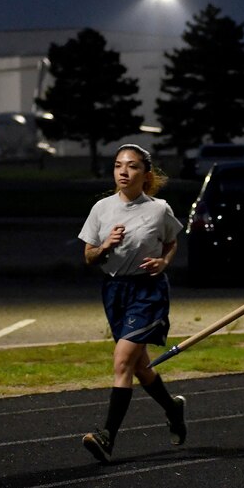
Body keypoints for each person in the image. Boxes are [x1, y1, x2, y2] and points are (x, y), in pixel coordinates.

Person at [77, 143, 189, 462]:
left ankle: (106, 437)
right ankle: (173, 408)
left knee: (122, 360)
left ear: (146, 173)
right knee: (139, 366)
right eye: (118, 165)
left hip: (148, 291)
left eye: (132, 166)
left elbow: (171, 241)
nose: (123, 171)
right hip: (115, 291)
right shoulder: (101, 209)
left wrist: (164, 263)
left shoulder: (159, 209)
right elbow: (88, 256)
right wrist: (106, 246)